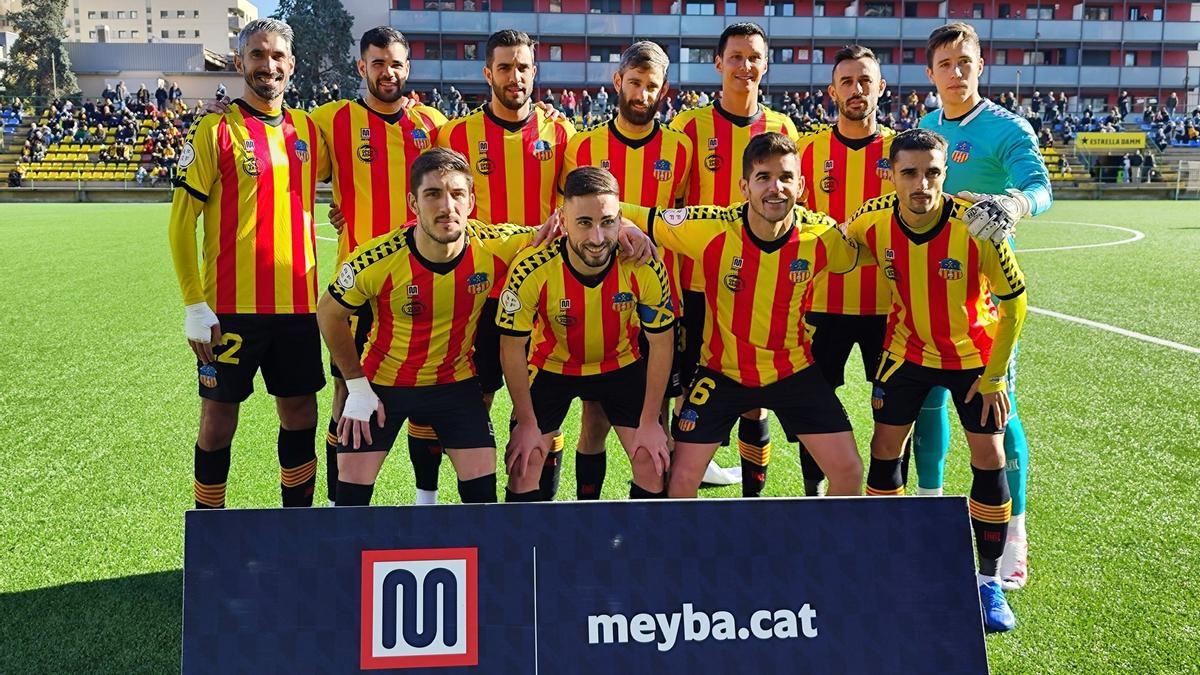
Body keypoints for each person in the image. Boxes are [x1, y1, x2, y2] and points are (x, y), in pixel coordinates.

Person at [318, 149, 651, 506]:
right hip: (383, 384)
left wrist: (628, 227)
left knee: (483, 497)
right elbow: (328, 313)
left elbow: (567, 224)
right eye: (433, 194)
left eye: (458, 194)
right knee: (349, 490)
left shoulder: (494, 245)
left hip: (455, 384)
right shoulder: (376, 258)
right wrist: (356, 386)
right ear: (413, 203)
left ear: (472, 201)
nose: (447, 206)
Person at [847, 127, 1027, 633]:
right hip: (905, 350)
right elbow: (840, 244)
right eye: (909, 172)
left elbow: (1016, 305)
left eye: (932, 173)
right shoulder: (873, 219)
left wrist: (995, 378)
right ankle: (890, 562)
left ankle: (988, 582)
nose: (921, 183)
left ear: (945, 175)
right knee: (884, 450)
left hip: (973, 356)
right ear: (892, 175)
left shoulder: (976, 226)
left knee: (988, 456)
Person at [168, 19, 331, 510]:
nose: (268, 65)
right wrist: (194, 304)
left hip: (299, 306)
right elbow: (181, 223)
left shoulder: (308, 130)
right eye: (257, 55)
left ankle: (295, 525)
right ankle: (210, 525)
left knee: (300, 413)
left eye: (277, 56)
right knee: (217, 420)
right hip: (230, 308)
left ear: (292, 65)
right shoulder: (215, 128)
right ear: (240, 63)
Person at [918, 21, 1052, 591]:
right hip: (926, 295)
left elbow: (1041, 186)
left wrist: (1014, 203)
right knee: (925, 405)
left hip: (986, 301)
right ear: (930, 73)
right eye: (945, 64)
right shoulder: (922, 129)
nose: (956, 72)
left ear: (980, 66)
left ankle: (1014, 537)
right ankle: (926, 512)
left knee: (999, 410)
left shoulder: (1006, 127)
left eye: (964, 62)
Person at [307, 27, 448, 505]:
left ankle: (425, 503)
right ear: (361, 66)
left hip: (422, 282)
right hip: (358, 288)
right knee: (347, 396)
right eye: (378, 62)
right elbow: (275, 129)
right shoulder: (330, 120)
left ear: (407, 68)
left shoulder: (433, 124)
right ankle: (336, 507)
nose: (388, 72)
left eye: (396, 63)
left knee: (425, 393)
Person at [435, 29, 576, 494]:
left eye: (522, 68)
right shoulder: (455, 134)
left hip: (539, 296)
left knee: (539, 411)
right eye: (504, 68)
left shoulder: (561, 132)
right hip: (477, 293)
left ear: (534, 72)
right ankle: (472, 508)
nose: (514, 77)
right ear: (487, 73)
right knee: (471, 402)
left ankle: (531, 513)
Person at [669, 22, 803, 494]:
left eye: (754, 57)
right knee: (688, 385)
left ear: (765, 65)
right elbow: (674, 204)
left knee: (755, 394)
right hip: (698, 284)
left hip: (762, 284)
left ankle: (753, 493)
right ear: (718, 63)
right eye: (736, 56)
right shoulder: (688, 127)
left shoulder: (784, 127)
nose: (745, 66)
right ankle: (690, 472)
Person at [560, 41, 693, 499]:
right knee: (593, 417)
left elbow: (681, 220)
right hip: (595, 301)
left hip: (658, 302)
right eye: (634, 82)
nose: (641, 93)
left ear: (664, 90)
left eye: (651, 85)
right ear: (618, 82)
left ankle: (655, 519)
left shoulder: (681, 148)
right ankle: (586, 513)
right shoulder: (583, 144)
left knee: (657, 420)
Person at [497, 167, 676, 501]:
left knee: (653, 464)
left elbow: (661, 343)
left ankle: (639, 551)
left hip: (619, 365)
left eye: (607, 222)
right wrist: (525, 422)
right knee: (524, 466)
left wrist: (652, 421)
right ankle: (532, 551)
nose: (597, 238)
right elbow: (511, 349)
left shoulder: (643, 264)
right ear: (563, 221)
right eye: (584, 223)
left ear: (620, 219)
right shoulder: (531, 267)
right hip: (551, 368)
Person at [793, 45, 896, 497]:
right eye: (847, 82)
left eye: (865, 81)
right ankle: (814, 496)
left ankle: (883, 503)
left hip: (889, 308)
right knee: (814, 409)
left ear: (881, 87)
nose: (857, 90)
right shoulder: (807, 150)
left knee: (891, 413)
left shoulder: (901, 149)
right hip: (819, 304)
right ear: (832, 90)